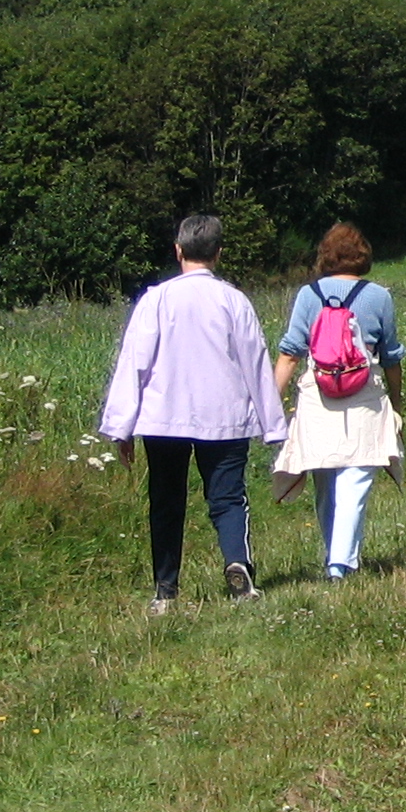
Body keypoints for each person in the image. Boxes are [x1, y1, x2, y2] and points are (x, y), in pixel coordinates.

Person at [99, 214, 287, 616]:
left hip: (164, 417)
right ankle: (238, 563)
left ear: (178, 250)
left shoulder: (156, 299)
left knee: (166, 500)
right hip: (224, 414)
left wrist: (121, 427)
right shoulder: (233, 300)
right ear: (218, 254)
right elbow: (255, 362)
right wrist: (273, 426)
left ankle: (165, 591)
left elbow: (135, 362)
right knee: (228, 497)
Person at [270, 224, 405, 582]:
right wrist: (396, 402)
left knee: (325, 477)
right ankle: (339, 564)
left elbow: (290, 353)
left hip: (319, 395)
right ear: (363, 257)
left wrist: (271, 404)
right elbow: (391, 356)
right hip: (365, 394)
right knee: (356, 478)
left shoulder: (308, 295)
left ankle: (336, 556)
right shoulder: (378, 296)